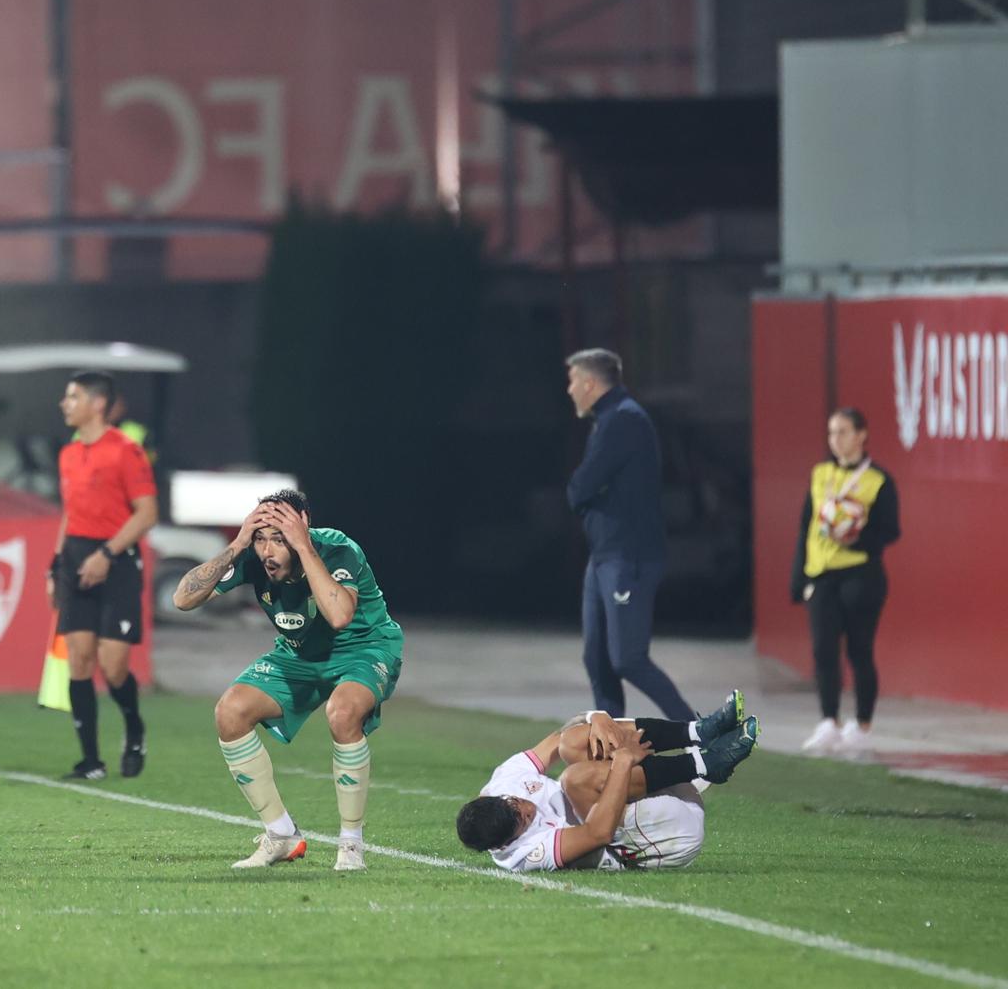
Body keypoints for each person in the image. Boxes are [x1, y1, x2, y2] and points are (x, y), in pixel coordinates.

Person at [173, 490, 403, 872]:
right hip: (297, 655)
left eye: (278, 538)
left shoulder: (339, 549)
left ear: (303, 530)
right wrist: (237, 545)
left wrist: (302, 545)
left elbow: (340, 616)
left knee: (342, 712)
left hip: (364, 648)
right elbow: (183, 599)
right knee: (231, 712)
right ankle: (281, 835)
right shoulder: (251, 555)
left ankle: (351, 844)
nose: (267, 551)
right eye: (261, 538)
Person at [455, 693, 759, 871]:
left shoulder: (503, 783)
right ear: (506, 842)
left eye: (515, 804)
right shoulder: (524, 855)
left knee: (573, 742)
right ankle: (705, 764)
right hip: (662, 834)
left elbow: (560, 738)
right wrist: (623, 762)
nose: (527, 809)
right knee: (574, 779)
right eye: (521, 820)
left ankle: (695, 733)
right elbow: (597, 832)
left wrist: (596, 716)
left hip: (647, 787)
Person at [564, 348, 694, 721]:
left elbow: (580, 487)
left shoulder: (624, 420)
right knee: (597, 659)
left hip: (629, 556)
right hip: (605, 555)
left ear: (590, 383)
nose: (570, 389)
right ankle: (610, 749)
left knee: (628, 659)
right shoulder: (610, 419)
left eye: (573, 381)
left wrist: (585, 496)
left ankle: (702, 734)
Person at [49, 371, 158, 780]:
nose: (65, 404)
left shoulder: (125, 451)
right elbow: (69, 515)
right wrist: (55, 565)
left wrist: (106, 554)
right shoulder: (68, 453)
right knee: (79, 658)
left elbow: (147, 513)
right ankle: (90, 760)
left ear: (97, 404)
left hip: (116, 559)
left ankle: (134, 728)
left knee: (113, 667)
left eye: (72, 396)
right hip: (76, 556)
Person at [791, 407, 900, 757]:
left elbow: (890, 531)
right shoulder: (820, 473)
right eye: (831, 432)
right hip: (822, 574)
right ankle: (828, 721)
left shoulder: (879, 479)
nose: (835, 439)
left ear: (861, 435)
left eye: (842, 432)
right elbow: (806, 524)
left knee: (859, 649)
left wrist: (855, 536)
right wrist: (800, 577)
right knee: (823, 648)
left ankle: (862, 724)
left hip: (860, 574)